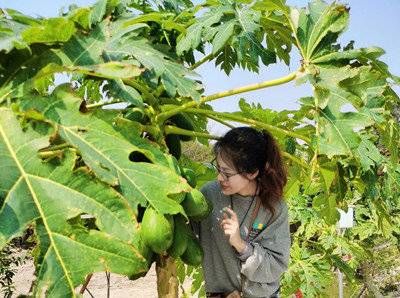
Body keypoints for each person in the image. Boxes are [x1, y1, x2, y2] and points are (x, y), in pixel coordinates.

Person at [195, 126, 290, 298]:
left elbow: (276, 266)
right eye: (218, 169)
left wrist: (241, 244)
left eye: (227, 173)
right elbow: (186, 232)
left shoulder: (274, 207)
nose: (219, 178)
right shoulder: (209, 194)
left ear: (252, 173)